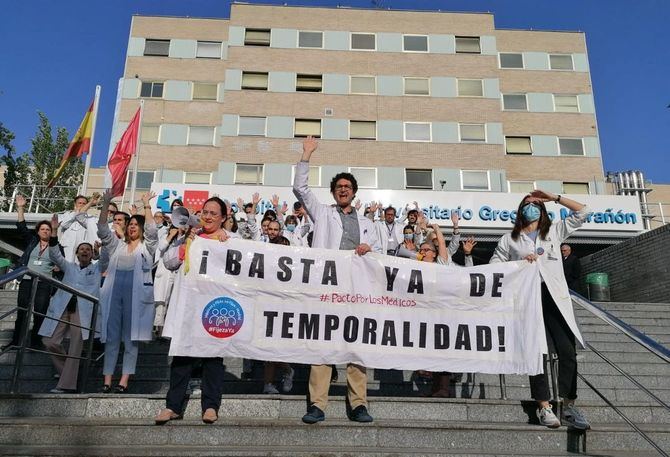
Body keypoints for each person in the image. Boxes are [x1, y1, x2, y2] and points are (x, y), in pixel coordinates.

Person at [294, 136, 381, 424]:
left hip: (358, 291)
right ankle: (317, 404)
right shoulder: (322, 213)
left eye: (347, 187)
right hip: (329, 289)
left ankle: (358, 404)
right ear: (333, 193)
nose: (343, 190)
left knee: (357, 348)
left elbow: (379, 257)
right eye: (338, 187)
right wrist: (306, 154)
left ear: (354, 193)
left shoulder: (369, 225)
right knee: (323, 346)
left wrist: (370, 250)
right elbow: (300, 189)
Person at [490, 190, 590, 430]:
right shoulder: (510, 239)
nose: (531, 207)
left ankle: (568, 406)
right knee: (537, 353)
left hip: (554, 298)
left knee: (567, 352)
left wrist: (554, 197)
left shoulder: (554, 231)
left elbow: (584, 211)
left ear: (542, 209)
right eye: (526, 204)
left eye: (535, 204)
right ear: (520, 211)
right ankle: (544, 406)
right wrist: (519, 264)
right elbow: (495, 264)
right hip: (528, 299)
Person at [155, 197, 238, 425]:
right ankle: (173, 406)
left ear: (223, 218)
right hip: (188, 308)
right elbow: (169, 262)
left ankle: (211, 406)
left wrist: (228, 245)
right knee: (182, 358)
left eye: (213, 213)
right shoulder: (191, 237)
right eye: (205, 212)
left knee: (213, 358)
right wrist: (185, 244)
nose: (208, 216)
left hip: (214, 309)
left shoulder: (231, 239)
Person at [97, 190, 158, 393]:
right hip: (114, 294)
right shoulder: (117, 247)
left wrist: (147, 205)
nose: (132, 227)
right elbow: (102, 230)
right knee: (112, 337)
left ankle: (123, 380)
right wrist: (106, 205)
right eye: (129, 224)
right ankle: (107, 380)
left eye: (135, 224)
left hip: (136, 296)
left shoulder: (147, 248)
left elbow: (152, 230)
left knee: (131, 339)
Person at [39, 215, 104, 393]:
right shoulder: (69, 267)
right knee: (49, 341)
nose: (84, 251)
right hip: (63, 307)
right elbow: (54, 254)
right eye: (81, 249)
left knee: (76, 347)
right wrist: (54, 231)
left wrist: (99, 251)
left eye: (88, 250)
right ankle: (69, 371)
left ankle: (66, 385)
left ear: (91, 254)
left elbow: (105, 259)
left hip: (82, 312)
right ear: (76, 253)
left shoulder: (96, 268)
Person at [416, 222, 476, 396]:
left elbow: (442, 244)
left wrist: (436, 228)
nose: (422, 252)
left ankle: (443, 389)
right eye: (421, 250)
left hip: (443, 314)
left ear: (434, 254)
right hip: (424, 314)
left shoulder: (441, 264)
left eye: (426, 250)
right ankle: (436, 388)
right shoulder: (414, 267)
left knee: (442, 349)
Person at [4, 195, 60, 349]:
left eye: (48, 229)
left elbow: (61, 261)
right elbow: (21, 227)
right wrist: (21, 208)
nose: (45, 231)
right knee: (22, 311)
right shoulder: (32, 241)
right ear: (38, 231)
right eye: (42, 229)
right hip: (27, 280)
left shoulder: (55, 245)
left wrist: (58, 267)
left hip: (44, 283)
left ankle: (36, 343)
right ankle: (16, 342)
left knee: (40, 312)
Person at [58, 194, 100, 263]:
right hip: (67, 247)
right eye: (79, 203)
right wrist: (76, 213)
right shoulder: (67, 215)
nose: (82, 205)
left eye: (84, 203)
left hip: (81, 248)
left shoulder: (91, 218)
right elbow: (64, 225)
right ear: (75, 204)